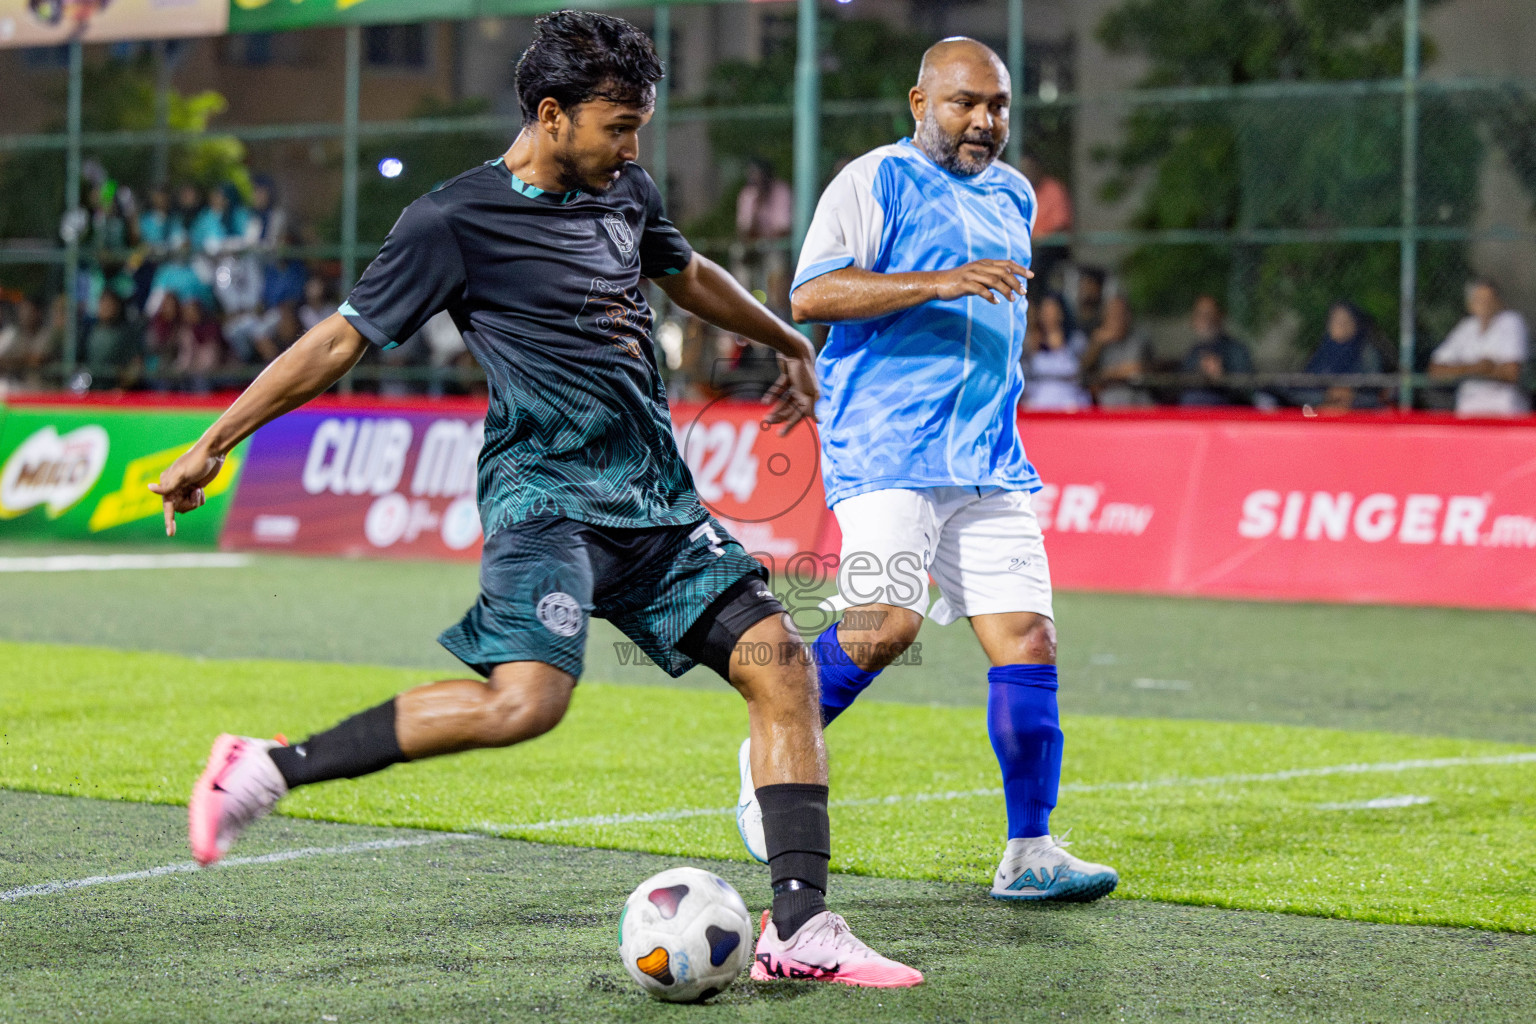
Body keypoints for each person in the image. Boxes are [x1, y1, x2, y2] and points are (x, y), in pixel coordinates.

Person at [150, 11, 920, 990]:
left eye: (639, 125)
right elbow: (339, 340)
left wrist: (789, 339)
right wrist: (215, 440)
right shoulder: (451, 220)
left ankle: (799, 928)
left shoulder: (625, 190)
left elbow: (688, 277)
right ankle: (261, 767)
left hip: (656, 504)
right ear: (551, 114)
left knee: (783, 671)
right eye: (617, 126)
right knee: (525, 703)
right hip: (544, 501)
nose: (633, 148)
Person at [736, 36, 1119, 904]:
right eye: (965, 104)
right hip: (886, 446)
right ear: (920, 104)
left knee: (1030, 640)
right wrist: (938, 281)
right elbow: (812, 294)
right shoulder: (873, 181)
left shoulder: (1016, 193)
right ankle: (769, 754)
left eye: (999, 106)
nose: (985, 121)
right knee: (885, 624)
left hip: (988, 458)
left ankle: (1031, 850)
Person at [1429, 279, 1530, 417]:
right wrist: (1477, 368)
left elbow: (1511, 373)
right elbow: (1436, 370)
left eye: (1489, 299)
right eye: (1479, 300)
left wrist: (1461, 370)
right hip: (1468, 407)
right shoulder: (1466, 328)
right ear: (1470, 305)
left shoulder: (1511, 322)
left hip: (1504, 407)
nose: (1485, 305)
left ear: (1498, 302)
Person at [1293, 301, 1387, 411]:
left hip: (1357, 409)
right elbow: (1303, 387)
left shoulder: (1366, 353)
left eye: (1345, 320)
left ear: (1356, 324)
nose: (1341, 325)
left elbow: (1375, 389)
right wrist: (1327, 396)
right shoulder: (1321, 351)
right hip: (1320, 407)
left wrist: (1350, 393)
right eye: (1336, 320)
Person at [1178, 294, 1253, 407]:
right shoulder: (1193, 353)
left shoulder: (1236, 350)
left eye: (1209, 314)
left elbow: (1248, 389)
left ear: (1220, 316)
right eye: (1200, 314)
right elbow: (1179, 384)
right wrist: (1199, 374)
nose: (1205, 320)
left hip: (1229, 412)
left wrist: (1223, 377)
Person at [1082, 294, 1152, 407]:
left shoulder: (1138, 338)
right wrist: (1096, 344)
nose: (1117, 319)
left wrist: (1102, 377)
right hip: (1108, 401)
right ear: (1105, 318)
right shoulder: (1099, 340)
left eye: (1120, 314)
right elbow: (1082, 369)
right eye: (1113, 315)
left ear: (1128, 316)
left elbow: (1132, 369)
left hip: (1135, 401)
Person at [1023, 292, 1089, 410]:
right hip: (1036, 401)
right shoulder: (1030, 340)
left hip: (1069, 400)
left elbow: (1082, 370)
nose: (1048, 314)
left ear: (1061, 313)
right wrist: (1032, 349)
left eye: (1052, 310)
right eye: (1045, 310)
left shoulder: (1076, 339)